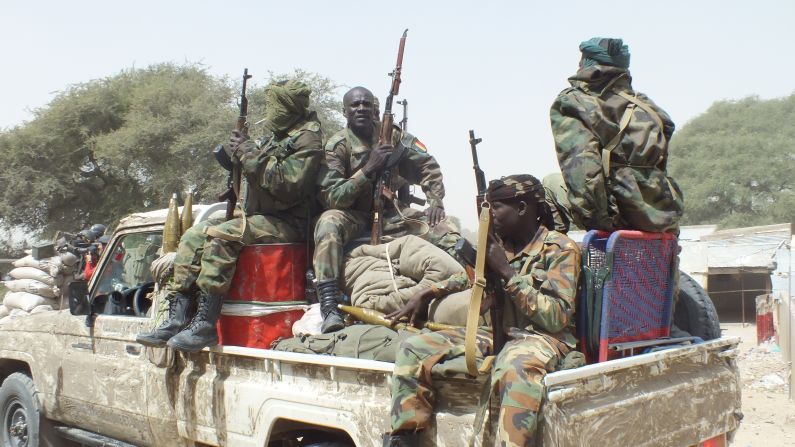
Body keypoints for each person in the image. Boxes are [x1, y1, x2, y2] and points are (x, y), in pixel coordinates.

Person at [387, 175, 582, 447]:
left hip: (543, 339)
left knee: (514, 365)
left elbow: (556, 317)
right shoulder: (501, 244)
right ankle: (404, 438)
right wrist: (429, 292)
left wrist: (506, 272)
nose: (487, 215)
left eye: (496, 207)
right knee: (414, 348)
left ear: (523, 208)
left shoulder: (559, 248)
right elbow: (469, 277)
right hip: (496, 333)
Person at [136, 79, 324, 352]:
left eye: (275, 105)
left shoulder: (307, 138)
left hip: (290, 222)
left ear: (287, 106)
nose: (270, 111)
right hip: (261, 217)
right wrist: (238, 156)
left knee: (222, 235)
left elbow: (289, 184)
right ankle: (177, 319)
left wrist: (248, 151)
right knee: (193, 235)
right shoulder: (278, 135)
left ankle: (205, 325)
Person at [313, 86, 460, 333]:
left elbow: (427, 165)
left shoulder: (392, 135)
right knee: (328, 223)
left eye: (366, 104)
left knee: (447, 228)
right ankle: (329, 307)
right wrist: (368, 169)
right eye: (355, 105)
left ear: (374, 109)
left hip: (391, 212)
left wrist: (435, 201)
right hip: (353, 214)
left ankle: (462, 285)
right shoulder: (337, 146)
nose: (361, 109)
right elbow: (333, 197)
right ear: (344, 111)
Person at [549, 37, 683, 234]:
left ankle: (556, 256)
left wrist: (600, 225)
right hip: (664, 217)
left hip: (619, 214)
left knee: (549, 183)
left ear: (587, 63)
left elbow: (584, 172)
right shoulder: (648, 105)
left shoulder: (573, 102)